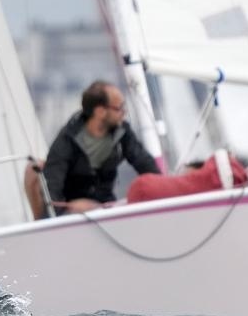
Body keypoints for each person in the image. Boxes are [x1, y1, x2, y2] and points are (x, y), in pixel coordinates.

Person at [41, 80, 161, 215]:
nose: (124, 112)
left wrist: (162, 191)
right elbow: (52, 184)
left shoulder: (122, 132)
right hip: (72, 211)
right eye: (119, 108)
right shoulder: (67, 139)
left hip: (106, 205)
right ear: (100, 112)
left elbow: (144, 162)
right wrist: (57, 215)